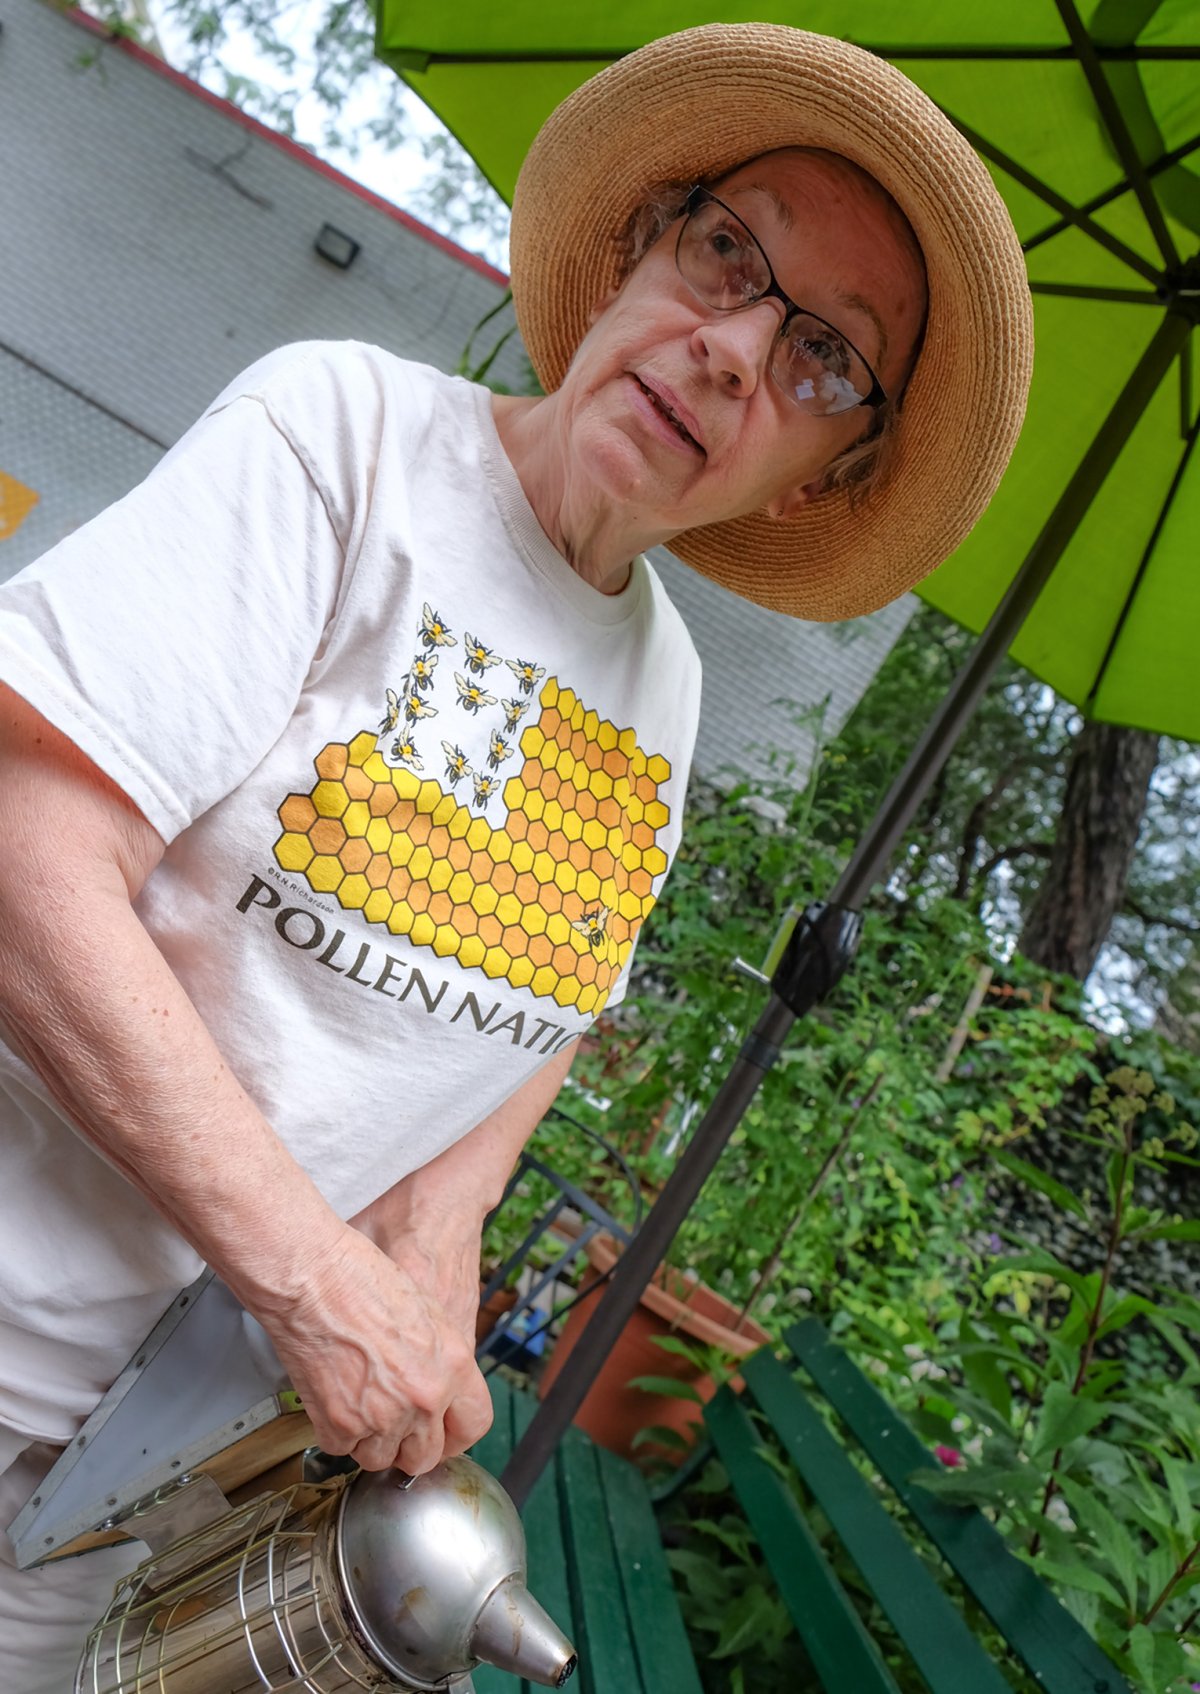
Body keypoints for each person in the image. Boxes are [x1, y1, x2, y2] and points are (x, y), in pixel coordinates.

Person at [0, 20, 1032, 1684]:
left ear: (822, 469)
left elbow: (544, 1000)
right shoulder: (348, 439)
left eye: (826, 353)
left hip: (150, 1481)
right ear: (640, 245)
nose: (732, 348)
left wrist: (444, 1226)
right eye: (728, 253)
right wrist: (319, 1280)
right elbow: (26, 850)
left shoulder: (666, 693)